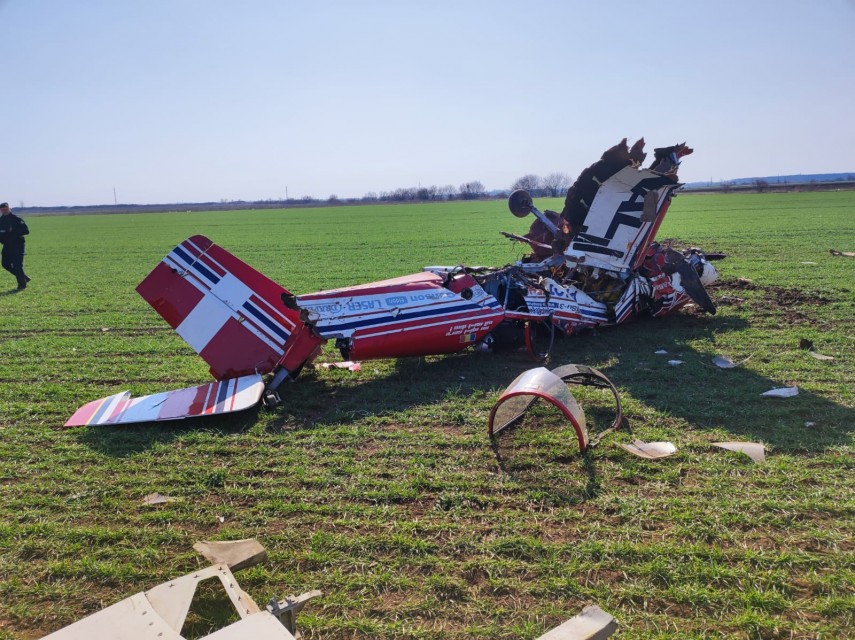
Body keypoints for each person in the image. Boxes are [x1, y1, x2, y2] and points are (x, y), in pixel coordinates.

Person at [0, 202, 30, 290]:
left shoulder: (16, 219)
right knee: (5, 264)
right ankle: (24, 277)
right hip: (7, 246)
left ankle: (22, 285)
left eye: (6, 209)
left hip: (18, 245)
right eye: (2, 209)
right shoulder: (0, 221)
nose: (4, 210)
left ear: (9, 208)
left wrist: (12, 233)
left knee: (17, 265)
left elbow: (26, 231)